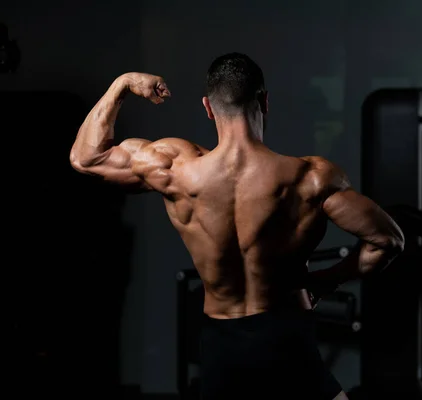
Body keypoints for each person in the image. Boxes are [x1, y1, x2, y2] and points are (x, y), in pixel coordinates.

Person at [69, 53, 404, 400]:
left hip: (221, 343)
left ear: (208, 108)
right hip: (286, 334)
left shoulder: (173, 170)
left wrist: (121, 84)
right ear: (264, 100)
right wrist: (324, 281)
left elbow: (85, 158)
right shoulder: (311, 179)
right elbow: (388, 241)